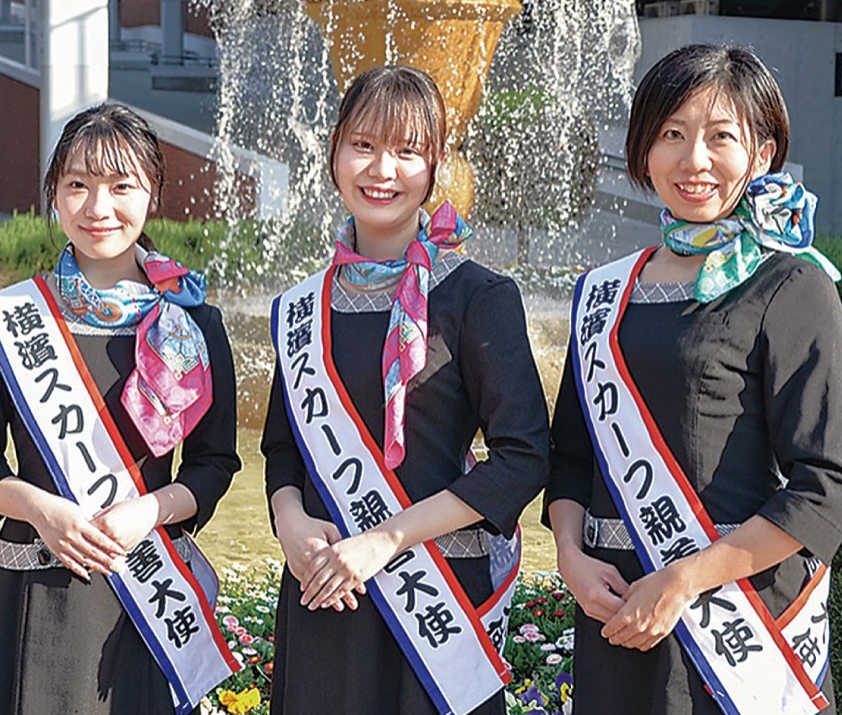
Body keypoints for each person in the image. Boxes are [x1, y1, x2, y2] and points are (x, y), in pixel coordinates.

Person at [546, 44, 842, 715]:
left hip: (740, 619)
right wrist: (570, 555)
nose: (694, 160)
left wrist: (685, 578)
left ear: (763, 153)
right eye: (672, 134)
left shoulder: (792, 283)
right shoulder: (603, 293)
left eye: (720, 137)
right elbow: (569, 456)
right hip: (616, 611)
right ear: (644, 149)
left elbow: (825, 486)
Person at [262, 66, 550, 715]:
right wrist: (291, 524)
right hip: (325, 592)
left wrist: (384, 540)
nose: (381, 169)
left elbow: (523, 458)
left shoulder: (478, 295)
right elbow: (282, 449)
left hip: (435, 595)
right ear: (334, 150)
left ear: (435, 164)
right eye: (364, 145)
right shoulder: (303, 307)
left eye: (407, 151)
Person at [0, 102, 241, 715]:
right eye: (77, 185)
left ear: (152, 190)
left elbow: (213, 466)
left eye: (120, 185)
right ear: (53, 193)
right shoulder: (5, 321)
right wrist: (39, 507)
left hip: (146, 595)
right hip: (33, 589)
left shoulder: (194, 328)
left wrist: (149, 512)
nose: (97, 207)